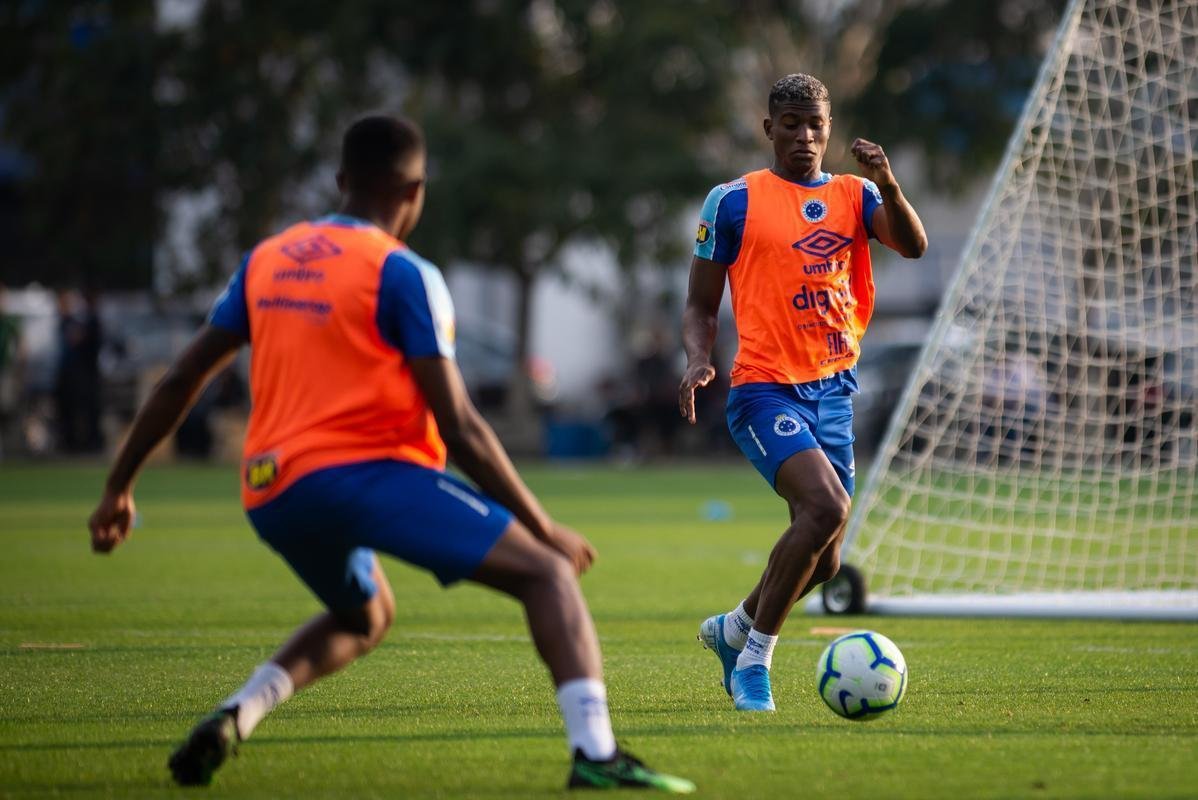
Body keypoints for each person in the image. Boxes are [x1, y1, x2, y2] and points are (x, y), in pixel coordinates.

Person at [87, 115, 693, 794]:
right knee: (547, 573)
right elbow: (460, 424)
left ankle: (237, 714)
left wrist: (119, 488)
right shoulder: (402, 273)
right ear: (415, 191)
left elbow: (180, 381)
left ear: (341, 181)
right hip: (364, 475)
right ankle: (596, 754)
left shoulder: (269, 259)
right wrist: (541, 524)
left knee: (365, 615)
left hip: (271, 491)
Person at [679, 74, 927, 712]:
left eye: (815, 124)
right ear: (769, 129)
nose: (805, 136)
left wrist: (891, 181)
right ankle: (756, 662)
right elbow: (700, 302)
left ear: (830, 127)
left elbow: (913, 245)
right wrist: (699, 359)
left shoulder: (856, 193)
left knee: (824, 562)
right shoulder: (732, 202)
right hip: (763, 390)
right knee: (823, 508)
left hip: (834, 391)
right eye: (790, 124)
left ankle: (733, 630)